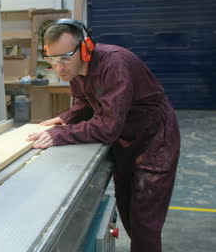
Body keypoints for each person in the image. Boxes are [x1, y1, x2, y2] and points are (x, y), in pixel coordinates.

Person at [26, 19, 180, 252]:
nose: (60, 68)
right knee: (128, 210)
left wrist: (61, 134)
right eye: (53, 60)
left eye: (66, 57)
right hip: (126, 138)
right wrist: (66, 119)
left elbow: (107, 127)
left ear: (86, 47)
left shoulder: (115, 65)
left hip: (155, 140)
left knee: (145, 224)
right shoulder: (75, 71)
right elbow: (84, 102)